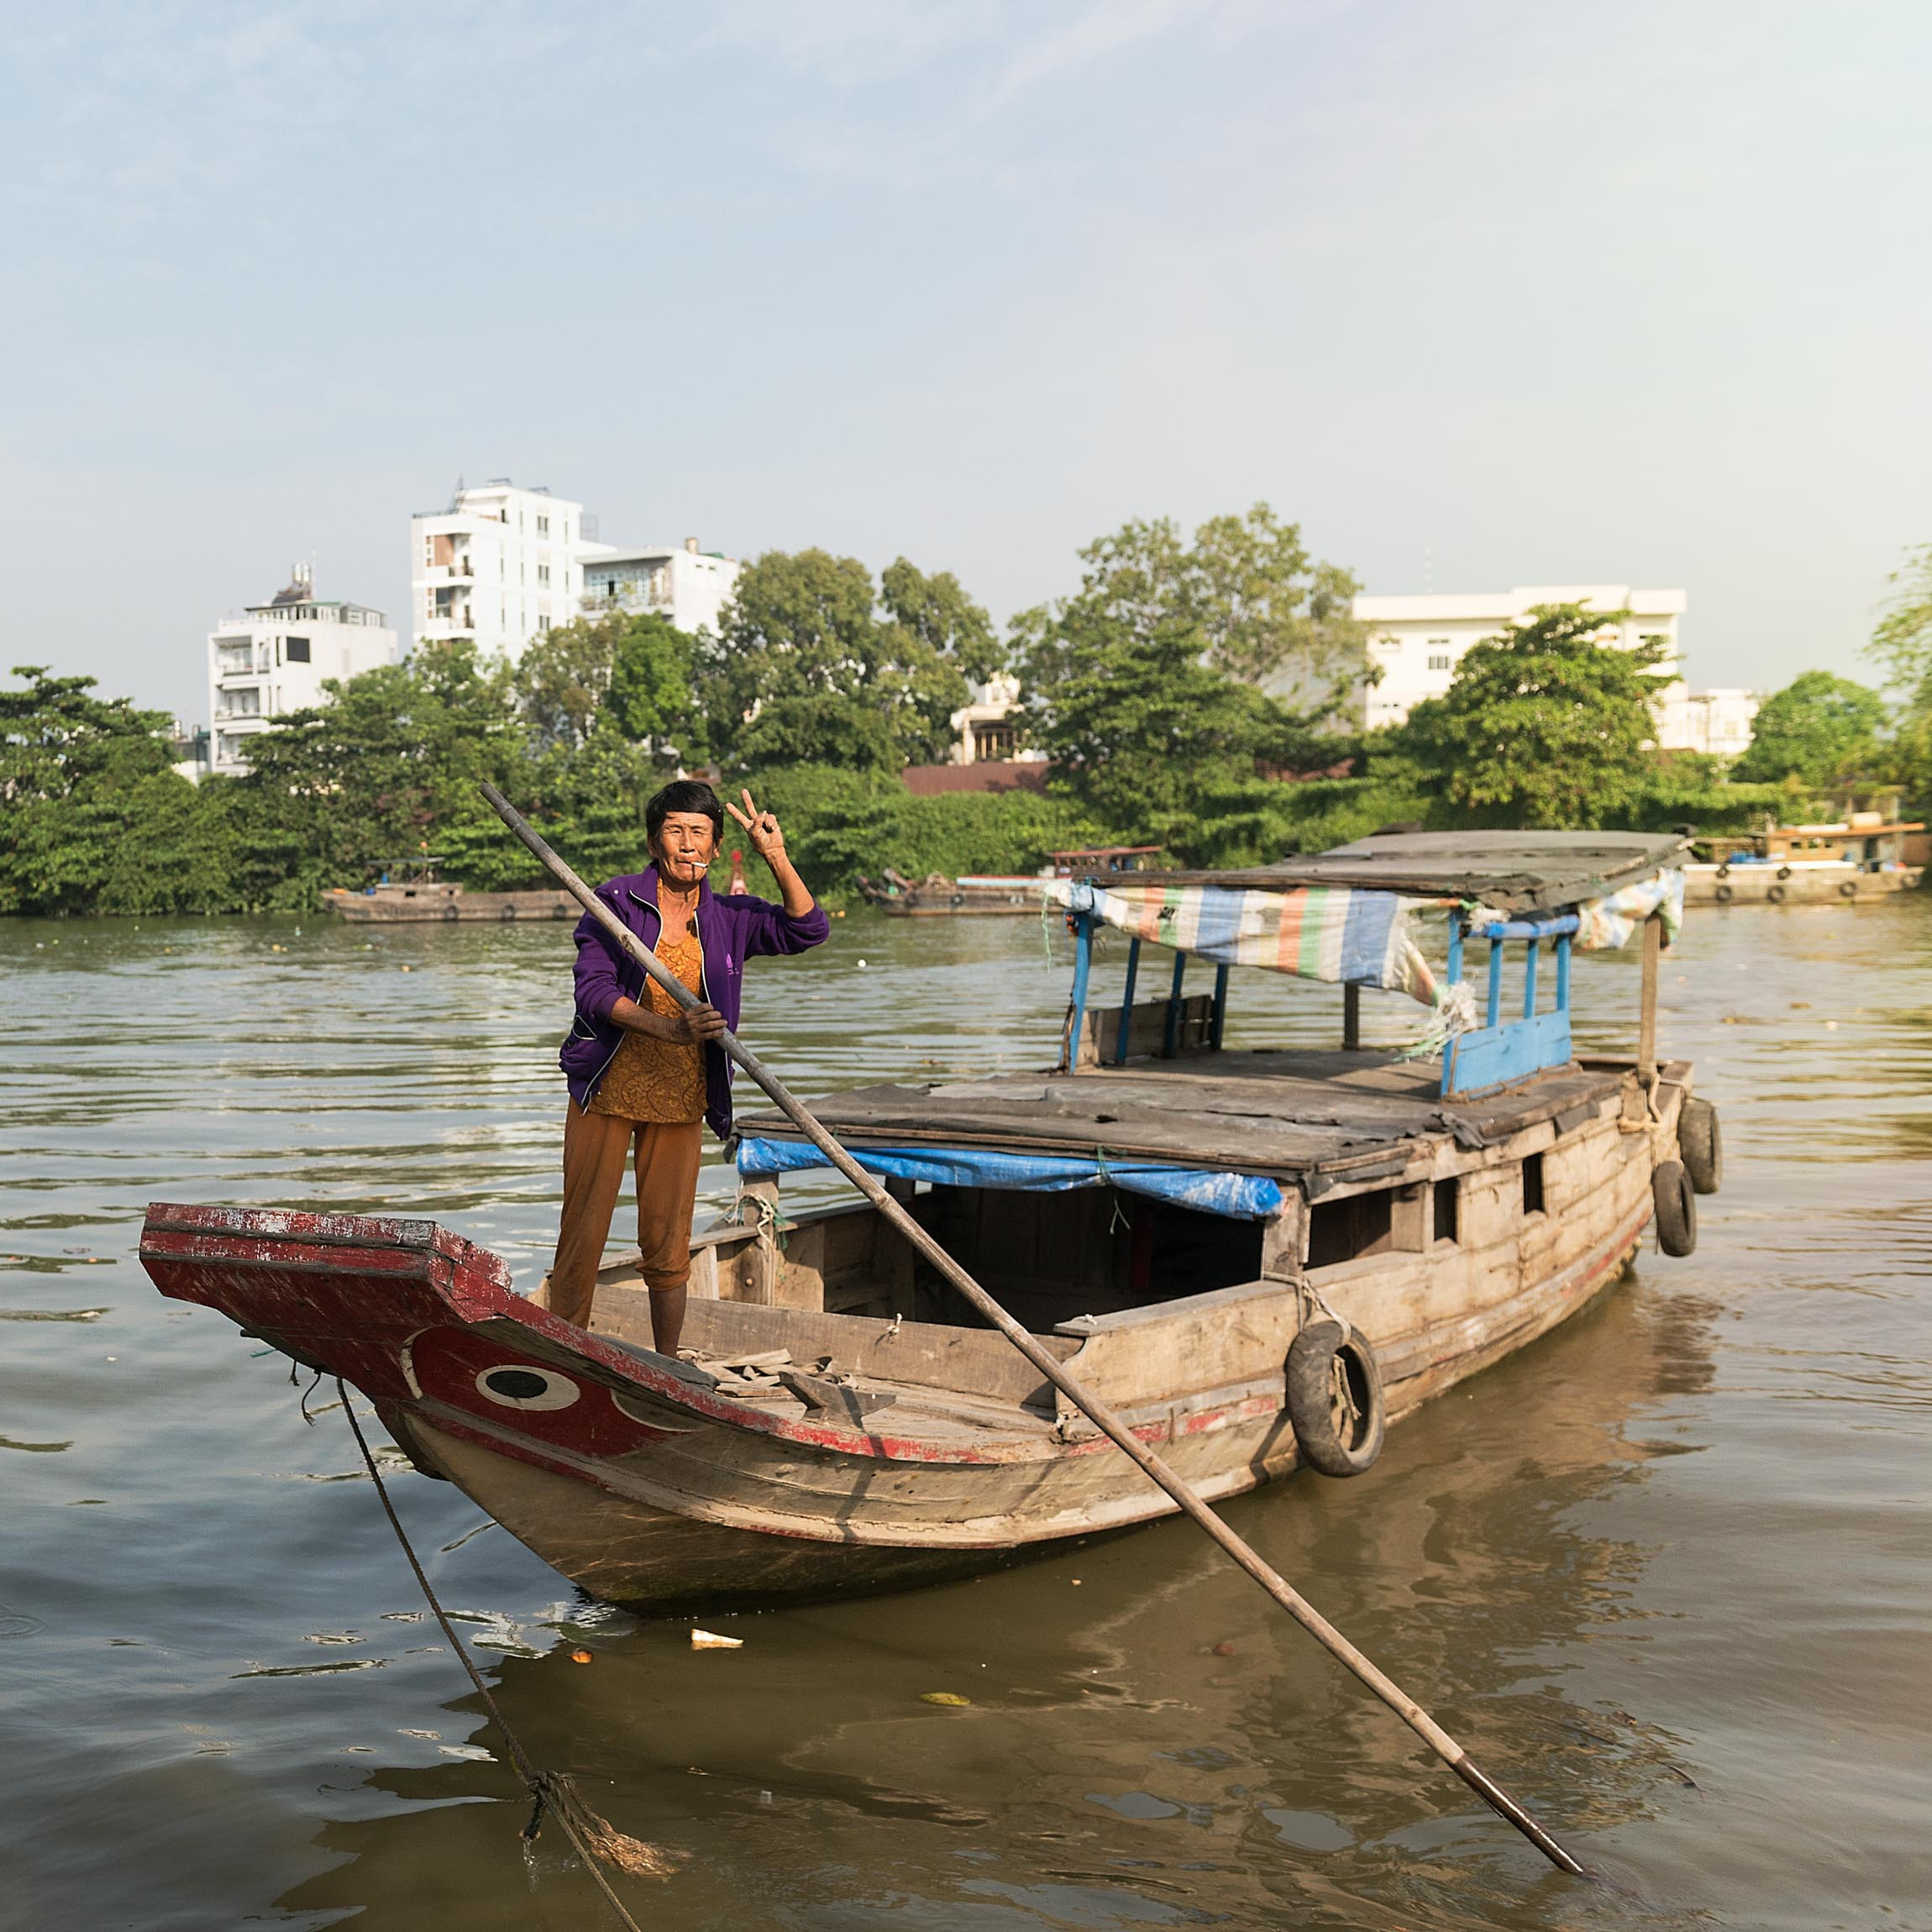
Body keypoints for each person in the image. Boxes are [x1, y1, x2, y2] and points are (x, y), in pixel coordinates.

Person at [550, 780, 827, 1348]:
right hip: (606, 1089)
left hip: (680, 1097)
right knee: (582, 1235)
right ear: (654, 843)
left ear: (716, 846)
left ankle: (668, 1361)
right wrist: (667, 1028)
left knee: (667, 1241)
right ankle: (562, 1350)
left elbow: (808, 929)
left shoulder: (728, 917)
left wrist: (775, 854)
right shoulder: (616, 902)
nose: (686, 843)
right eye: (674, 830)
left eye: (699, 832)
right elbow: (594, 992)